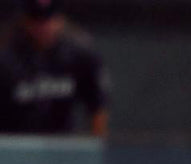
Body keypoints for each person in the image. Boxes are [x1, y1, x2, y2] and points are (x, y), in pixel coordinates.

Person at [0, 0, 109, 136]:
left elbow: (97, 105)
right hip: (16, 145)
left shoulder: (79, 55)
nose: (43, 26)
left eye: (48, 19)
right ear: (25, 20)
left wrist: (96, 151)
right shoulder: (6, 57)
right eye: (36, 20)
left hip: (62, 146)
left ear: (60, 19)